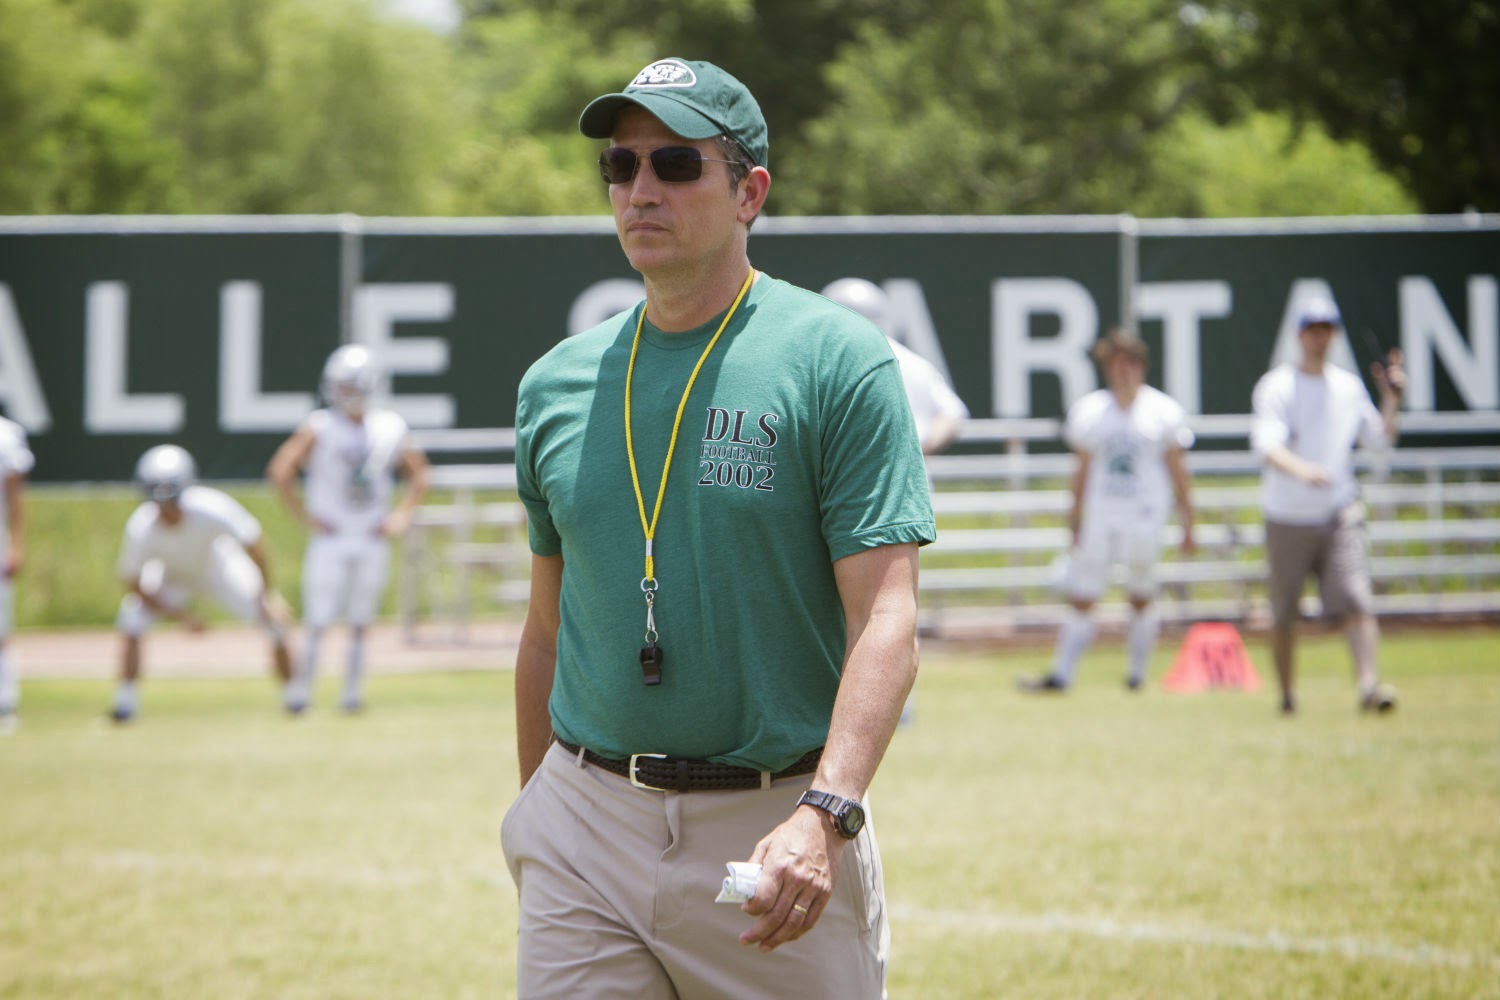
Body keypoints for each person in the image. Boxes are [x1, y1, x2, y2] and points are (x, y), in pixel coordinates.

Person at [503, 57, 935, 999]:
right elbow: (546, 627)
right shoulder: (555, 383)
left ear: (750, 193)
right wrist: (538, 807)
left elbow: (887, 617)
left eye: (675, 163)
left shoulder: (835, 360)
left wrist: (827, 812)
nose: (641, 189)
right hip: (584, 825)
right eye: (620, 165)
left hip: (774, 828)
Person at [822, 276, 970, 725]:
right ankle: (891, 703)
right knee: (892, 604)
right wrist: (917, 446)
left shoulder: (836, 358)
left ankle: (867, 701)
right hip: (900, 501)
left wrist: (909, 446)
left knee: (855, 607)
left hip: (854, 499)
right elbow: (952, 414)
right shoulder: (909, 362)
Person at [1018, 328, 1196, 693]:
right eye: (1116, 364)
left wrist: (1187, 519)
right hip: (1102, 515)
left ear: (1142, 366)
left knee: (1141, 593)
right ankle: (1062, 674)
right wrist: (1075, 518)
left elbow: (1178, 469)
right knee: (1083, 594)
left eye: (1130, 363)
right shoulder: (1091, 411)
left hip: (1145, 515)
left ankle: (1137, 673)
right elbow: (1081, 469)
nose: (1123, 371)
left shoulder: (1163, 412)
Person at [1250, 296, 1404, 715]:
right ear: (1300, 335)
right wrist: (1304, 471)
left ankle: (1369, 687)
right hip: (1287, 514)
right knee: (1285, 613)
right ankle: (1287, 695)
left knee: (1356, 598)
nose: (1320, 338)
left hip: (1338, 510)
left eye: (1326, 330)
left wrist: (1391, 399)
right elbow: (1267, 446)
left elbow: (1380, 440)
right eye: (1313, 330)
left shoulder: (1348, 387)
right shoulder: (1277, 386)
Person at [267, 344, 429, 715]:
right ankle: (300, 694)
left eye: (352, 385)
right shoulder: (320, 425)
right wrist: (306, 517)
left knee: (360, 620)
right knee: (318, 619)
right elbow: (281, 470)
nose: (347, 393)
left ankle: (351, 694)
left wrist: (401, 516)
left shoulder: (389, 426)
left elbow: (419, 473)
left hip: (370, 535)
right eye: (342, 385)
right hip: (332, 536)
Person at [109, 445, 294, 723]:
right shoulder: (141, 526)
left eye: (170, 495)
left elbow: (255, 546)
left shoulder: (212, 507)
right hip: (171, 575)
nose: (166, 506)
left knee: (273, 621)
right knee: (131, 616)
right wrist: (180, 616)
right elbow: (132, 581)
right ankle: (125, 703)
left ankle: (294, 697)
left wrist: (266, 595)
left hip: (219, 567)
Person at [820, 278, 971, 458]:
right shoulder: (911, 361)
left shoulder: (828, 361)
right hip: (895, 471)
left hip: (860, 470)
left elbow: (952, 415)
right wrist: (912, 456)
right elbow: (952, 414)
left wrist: (908, 456)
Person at [0, 415, 34, 731]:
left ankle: (5, 702)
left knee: (0, 628)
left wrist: (16, 544)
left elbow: (14, 495)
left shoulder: (6, 435)